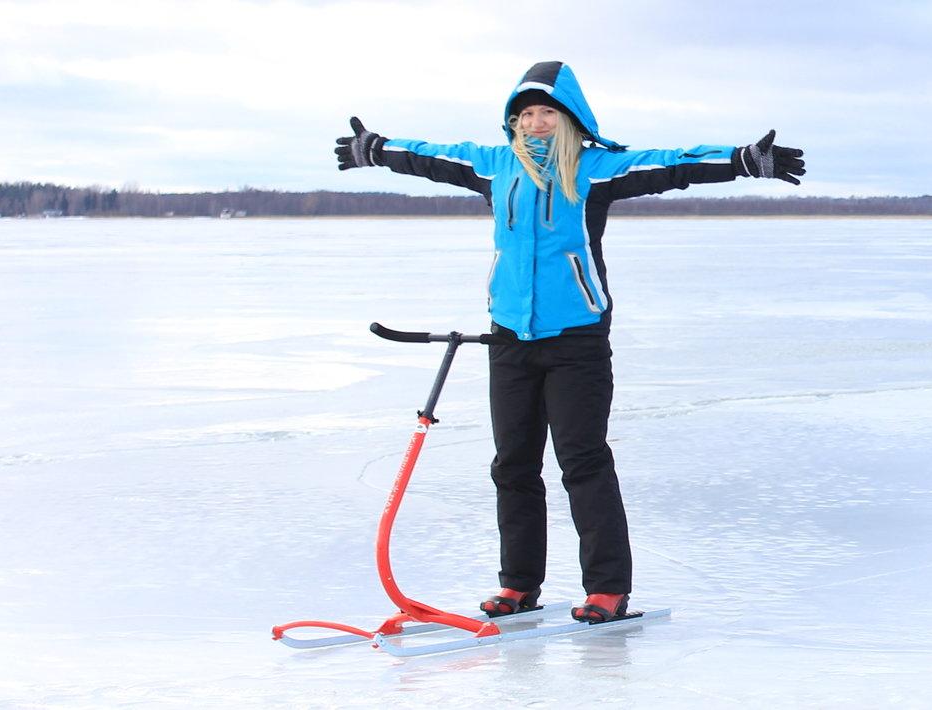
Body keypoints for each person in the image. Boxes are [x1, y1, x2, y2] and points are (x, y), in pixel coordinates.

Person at [333, 60, 804, 623]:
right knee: (512, 465)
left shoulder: (592, 170)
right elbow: (432, 156)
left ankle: (607, 588)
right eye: (524, 114)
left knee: (582, 461)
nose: (534, 123)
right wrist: (376, 148)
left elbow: (669, 165)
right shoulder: (495, 165)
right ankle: (518, 585)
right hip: (508, 336)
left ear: (570, 119)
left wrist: (743, 161)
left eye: (545, 113)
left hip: (576, 339)